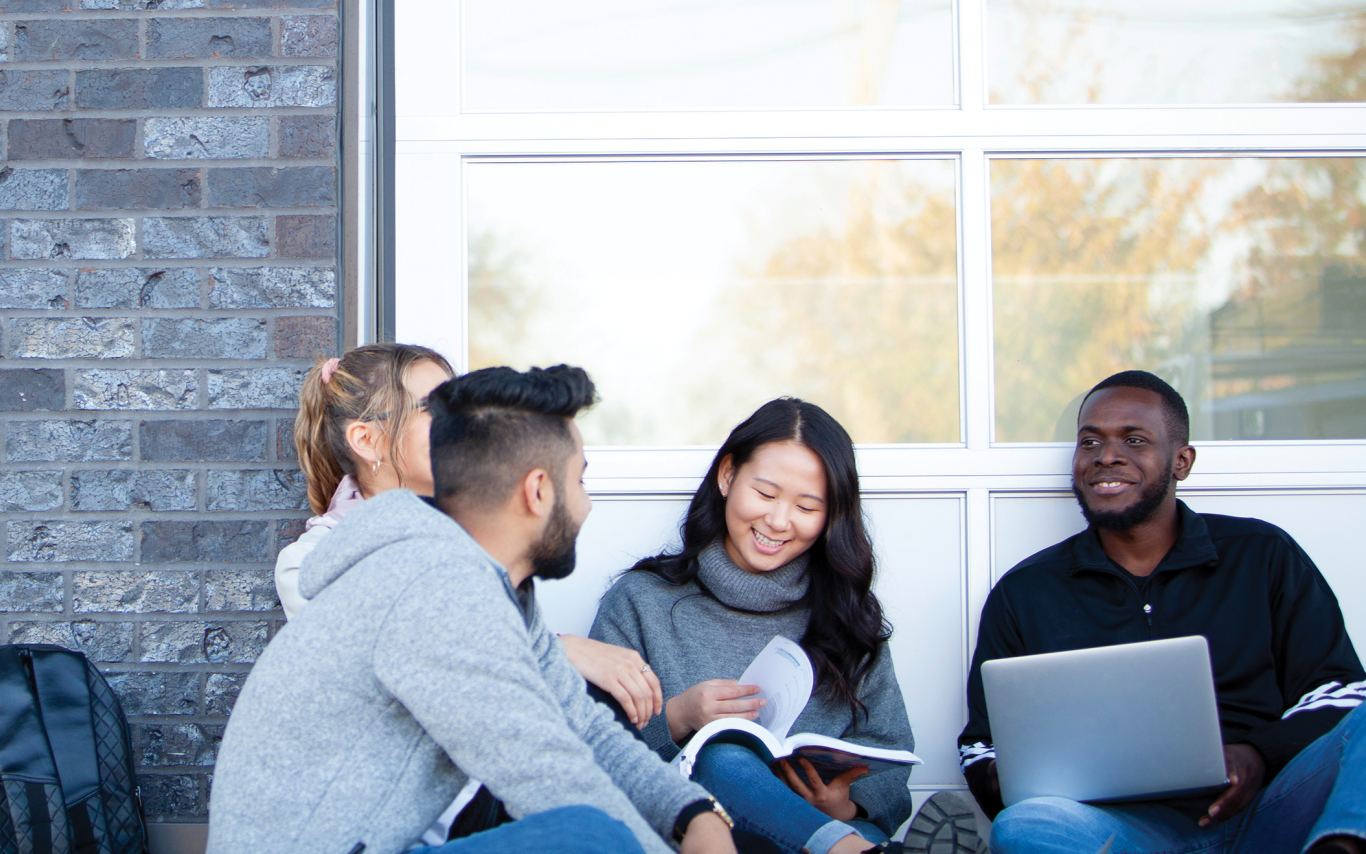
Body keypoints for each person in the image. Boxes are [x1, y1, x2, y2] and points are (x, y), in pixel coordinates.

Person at [209, 365, 738, 854]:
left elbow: (583, 729)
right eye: (579, 480)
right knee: (585, 835)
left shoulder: (499, 587)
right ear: (537, 491)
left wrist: (694, 813)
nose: (589, 503)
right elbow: (546, 774)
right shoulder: (433, 587)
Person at [958, 370, 1366, 854]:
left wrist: (1259, 753)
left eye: (1134, 439)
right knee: (1025, 826)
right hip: (1122, 833)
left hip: (1272, 809)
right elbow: (981, 745)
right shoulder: (1025, 592)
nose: (1106, 456)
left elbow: (1341, 693)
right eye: (1089, 441)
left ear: (1182, 461)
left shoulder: (1262, 555)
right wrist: (1006, 775)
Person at [590, 398, 916, 854]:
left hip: (831, 827)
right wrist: (680, 717)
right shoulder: (641, 601)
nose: (779, 521)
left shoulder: (846, 612)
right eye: (765, 494)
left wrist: (847, 806)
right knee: (719, 758)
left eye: (807, 506)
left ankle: (840, 841)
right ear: (727, 476)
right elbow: (593, 751)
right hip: (695, 837)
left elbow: (891, 750)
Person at [281, 344, 664, 730]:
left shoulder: (471, 539)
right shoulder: (309, 563)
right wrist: (563, 650)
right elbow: (424, 666)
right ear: (366, 440)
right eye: (436, 409)